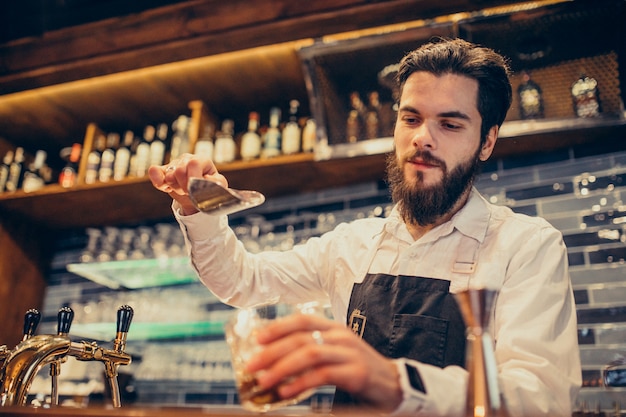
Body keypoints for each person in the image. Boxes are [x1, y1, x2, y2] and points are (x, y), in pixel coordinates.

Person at [149, 38, 581, 416]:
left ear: (487, 141)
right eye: (410, 119)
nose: (422, 138)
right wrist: (196, 208)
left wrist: (394, 382)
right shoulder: (352, 244)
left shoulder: (526, 246)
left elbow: (539, 401)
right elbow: (241, 282)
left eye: (449, 124)